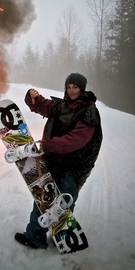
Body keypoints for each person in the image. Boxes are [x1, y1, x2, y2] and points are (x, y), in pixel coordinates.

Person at [15, 73, 103, 249]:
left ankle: (62, 236)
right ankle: (34, 236)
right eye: (69, 87)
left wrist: (49, 145)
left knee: (62, 204)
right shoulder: (61, 105)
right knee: (43, 198)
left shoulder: (89, 112)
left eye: (75, 87)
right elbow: (43, 106)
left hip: (74, 167)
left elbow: (75, 140)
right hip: (54, 160)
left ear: (82, 89)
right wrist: (33, 97)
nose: (71, 91)